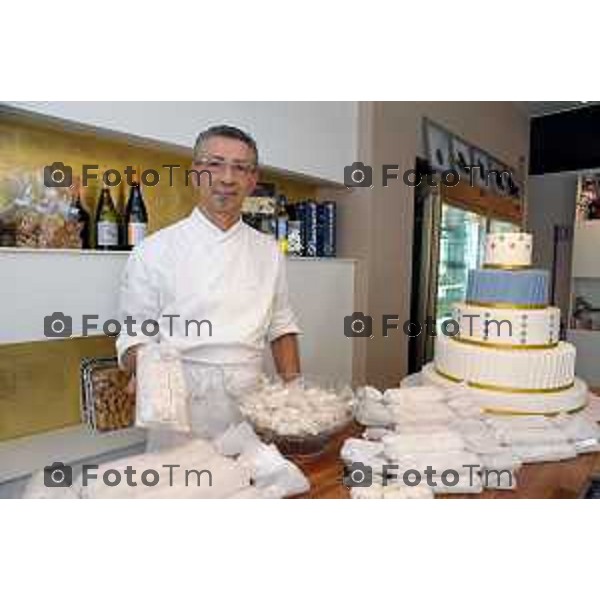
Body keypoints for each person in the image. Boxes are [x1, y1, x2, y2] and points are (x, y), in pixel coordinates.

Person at [116, 125, 301, 440]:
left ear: (253, 180)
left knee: (251, 483)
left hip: (252, 402)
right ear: (195, 173)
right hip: (179, 405)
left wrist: (296, 394)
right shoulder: (154, 250)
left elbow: (281, 326)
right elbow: (134, 337)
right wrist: (147, 365)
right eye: (214, 164)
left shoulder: (269, 251)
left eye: (240, 168)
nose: (227, 178)